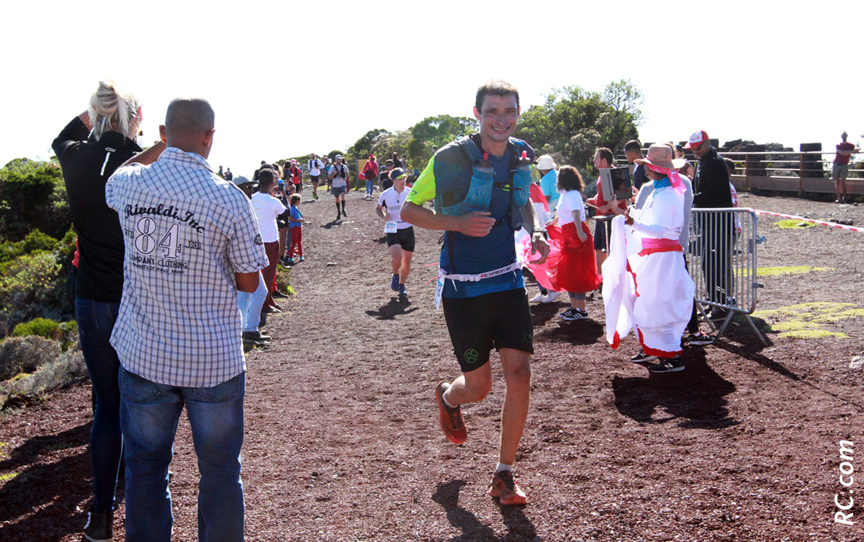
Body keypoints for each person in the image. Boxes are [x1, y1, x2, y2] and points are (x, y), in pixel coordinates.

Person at [105, 98, 268, 542]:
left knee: (145, 468)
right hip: (211, 361)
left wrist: (157, 150)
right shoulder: (228, 197)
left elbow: (114, 177)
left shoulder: (130, 184)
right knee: (219, 473)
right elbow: (250, 282)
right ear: (209, 137)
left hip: (143, 355)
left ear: (162, 133)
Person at [402, 80, 549, 506]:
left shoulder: (521, 152)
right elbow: (409, 210)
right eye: (492, 112)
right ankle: (449, 397)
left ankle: (504, 475)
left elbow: (521, 199)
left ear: (518, 113)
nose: (501, 119)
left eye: (509, 111)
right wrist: (457, 223)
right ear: (477, 113)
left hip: (507, 279)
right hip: (463, 288)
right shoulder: (449, 158)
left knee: (520, 375)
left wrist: (535, 230)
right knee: (480, 388)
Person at [53, 80, 150, 542]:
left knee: (106, 406)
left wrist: (105, 113)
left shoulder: (74, 156)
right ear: (135, 118)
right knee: (141, 401)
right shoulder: (141, 169)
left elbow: (62, 137)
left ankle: (102, 513)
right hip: (137, 298)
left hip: (91, 297)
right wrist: (132, 129)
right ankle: (144, 503)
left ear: (94, 114)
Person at [604, 144, 695, 373]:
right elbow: (649, 223)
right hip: (656, 256)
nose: (646, 171)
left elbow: (660, 229)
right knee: (648, 302)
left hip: (662, 257)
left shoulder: (668, 194)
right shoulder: (661, 191)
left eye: (649, 167)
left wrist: (630, 220)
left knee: (659, 304)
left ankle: (671, 354)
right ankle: (655, 347)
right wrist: (626, 213)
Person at [685, 129, 734, 317]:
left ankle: (720, 304)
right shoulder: (703, 161)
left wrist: (690, 199)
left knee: (716, 264)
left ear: (706, 144)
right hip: (709, 223)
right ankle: (713, 301)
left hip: (718, 223)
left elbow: (711, 193)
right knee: (708, 263)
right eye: (693, 148)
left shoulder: (714, 162)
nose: (694, 151)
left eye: (697, 147)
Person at [550, 166, 601, 320]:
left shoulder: (571, 194)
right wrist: (554, 221)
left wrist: (579, 231)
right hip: (570, 234)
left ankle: (581, 310)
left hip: (575, 234)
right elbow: (567, 213)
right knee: (570, 272)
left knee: (577, 272)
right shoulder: (567, 194)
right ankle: (574, 308)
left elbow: (576, 213)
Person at [252, 168, 290, 312]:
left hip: (255, 240)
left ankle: (267, 300)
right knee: (268, 273)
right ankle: (265, 303)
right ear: (271, 183)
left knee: (259, 272)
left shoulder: (252, 198)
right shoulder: (273, 201)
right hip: (270, 240)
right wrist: (283, 195)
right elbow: (286, 212)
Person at [589, 147, 628, 277]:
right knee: (600, 247)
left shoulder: (615, 173)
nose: (594, 160)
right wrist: (596, 199)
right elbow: (605, 193)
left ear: (604, 160)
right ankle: (601, 278)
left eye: (596, 157)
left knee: (610, 248)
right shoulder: (603, 174)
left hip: (611, 219)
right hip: (602, 218)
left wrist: (607, 207)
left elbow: (623, 195)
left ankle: (610, 278)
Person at [376, 168, 414, 296]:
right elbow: (378, 208)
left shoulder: (411, 192)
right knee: (397, 257)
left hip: (408, 228)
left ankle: (402, 285)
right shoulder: (385, 194)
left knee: (407, 262)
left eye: (404, 178)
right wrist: (383, 216)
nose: (403, 181)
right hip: (392, 227)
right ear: (393, 180)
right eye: (399, 179)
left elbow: (418, 207)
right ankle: (396, 274)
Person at [833, 132, 859, 203]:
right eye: (843, 135)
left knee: (843, 181)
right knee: (837, 181)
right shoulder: (838, 145)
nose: (844, 136)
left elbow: (857, 148)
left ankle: (844, 196)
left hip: (844, 164)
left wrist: (854, 150)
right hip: (836, 164)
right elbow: (841, 152)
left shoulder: (850, 145)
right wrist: (851, 151)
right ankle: (839, 198)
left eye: (845, 135)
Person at [328, 154, 350, 220]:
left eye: (340, 159)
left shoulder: (344, 166)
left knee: (343, 196)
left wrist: (346, 177)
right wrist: (333, 174)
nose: (339, 160)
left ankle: (343, 210)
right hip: (335, 185)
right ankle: (338, 212)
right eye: (338, 159)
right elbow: (329, 177)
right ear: (335, 160)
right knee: (337, 198)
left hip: (342, 184)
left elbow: (347, 172)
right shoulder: (332, 167)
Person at [287, 193, 306, 264]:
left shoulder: (296, 208)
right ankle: (291, 256)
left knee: (299, 241)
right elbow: (290, 218)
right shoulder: (292, 208)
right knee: (294, 242)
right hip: (294, 227)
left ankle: (301, 255)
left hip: (298, 226)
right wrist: (299, 220)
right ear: (296, 201)